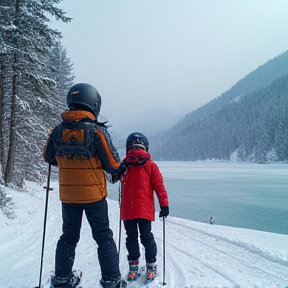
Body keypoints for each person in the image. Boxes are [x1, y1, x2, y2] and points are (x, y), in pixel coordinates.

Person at [43, 83, 125, 288]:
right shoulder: (96, 131)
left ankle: (62, 278)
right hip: (94, 196)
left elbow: (48, 157)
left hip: (68, 197)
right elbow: (113, 164)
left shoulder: (57, 130)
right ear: (93, 104)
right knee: (103, 236)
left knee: (68, 236)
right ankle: (111, 280)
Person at [118, 132, 169, 282]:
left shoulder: (124, 164)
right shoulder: (151, 165)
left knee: (131, 238)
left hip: (128, 210)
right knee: (147, 237)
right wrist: (164, 205)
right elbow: (159, 187)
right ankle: (151, 266)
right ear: (145, 146)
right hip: (145, 209)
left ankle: (133, 267)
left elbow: (115, 178)